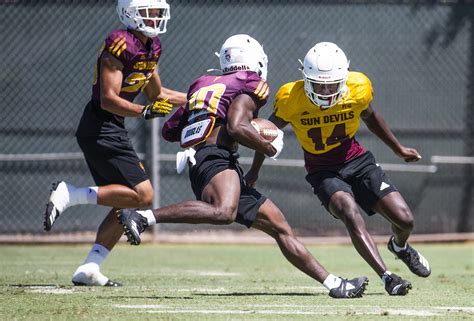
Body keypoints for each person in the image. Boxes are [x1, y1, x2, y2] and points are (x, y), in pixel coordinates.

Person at [116, 34, 369, 299]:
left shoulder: (201, 83)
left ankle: (335, 285)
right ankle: (143, 217)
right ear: (255, 60)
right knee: (224, 211)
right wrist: (267, 146)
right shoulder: (251, 82)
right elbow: (237, 127)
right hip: (215, 159)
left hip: (209, 159)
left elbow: (170, 131)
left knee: (279, 226)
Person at [245, 42, 431, 296]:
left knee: (405, 219)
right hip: (322, 170)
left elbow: (371, 117)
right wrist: (255, 171)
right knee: (349, 211)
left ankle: (399, 246)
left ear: (343, 79)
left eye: (332, 84)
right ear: (305, 79)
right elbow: (267, 134)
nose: (324, 90)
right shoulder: (292, 98)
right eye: (318, 84)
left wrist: (398, 148)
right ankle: (387, 276)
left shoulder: (358, 88)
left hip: (358, 161)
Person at [43, 0, 188, 286]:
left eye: (158, 11)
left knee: (124, 201)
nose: (155, 16)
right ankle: (71, 193)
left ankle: (90, 268)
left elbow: (157, 94)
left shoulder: (152, 46)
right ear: (130, 13)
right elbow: (108, 99)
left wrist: (200, 98)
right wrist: (143, 112)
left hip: (111, 128)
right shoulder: (120, 42)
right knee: (144, 196)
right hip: (100, 127)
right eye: (149, 11)